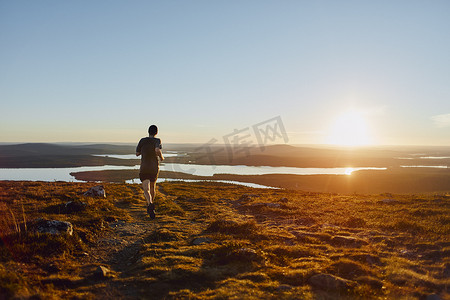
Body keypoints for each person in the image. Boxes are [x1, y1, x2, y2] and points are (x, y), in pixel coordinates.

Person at [136, 125, 164, 219]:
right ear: (156, 132)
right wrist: (161, 157)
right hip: (154, 167)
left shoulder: (142, 140)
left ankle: (150, 204)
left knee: (146, 189)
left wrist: (143, 152)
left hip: (144, 167)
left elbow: (137, 153)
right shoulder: (157, 140)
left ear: (148, 131)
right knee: (152, 186)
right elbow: (157, 150)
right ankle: (152, 206)